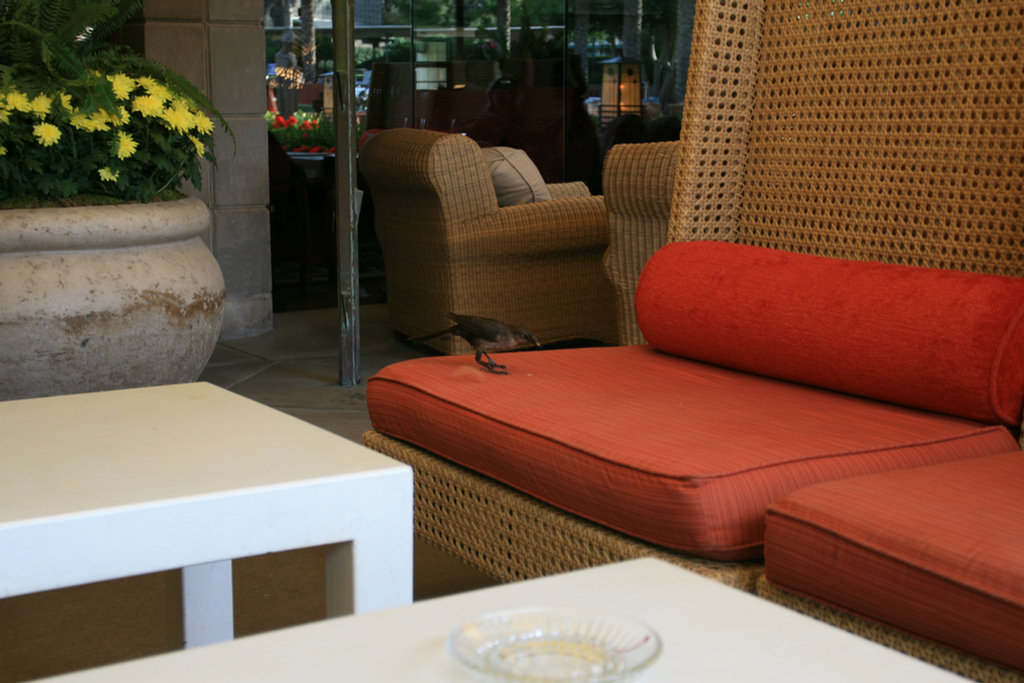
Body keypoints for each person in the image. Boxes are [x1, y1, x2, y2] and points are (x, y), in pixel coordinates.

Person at [274, 30, 301, 117]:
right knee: (285, 107)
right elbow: (282, 72)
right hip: (284, 86)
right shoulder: (279, 56)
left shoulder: (292, 56)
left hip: (293, 86)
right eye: (293, 43)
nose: (294, 45)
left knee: (293, 107)